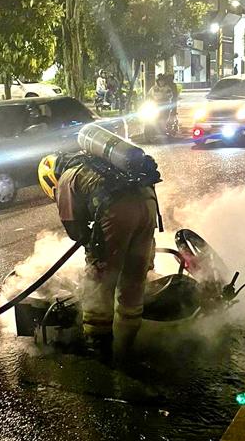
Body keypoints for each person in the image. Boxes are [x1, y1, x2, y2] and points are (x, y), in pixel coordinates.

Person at [38, 142, 159, 360]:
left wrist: (97, 252)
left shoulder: (66, 178)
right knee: (133, 281)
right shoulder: (98, 163)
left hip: (119, 211)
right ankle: (127, 345)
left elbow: (75, 229)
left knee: (99, 282)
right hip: (149, 203)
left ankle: (99, 349)